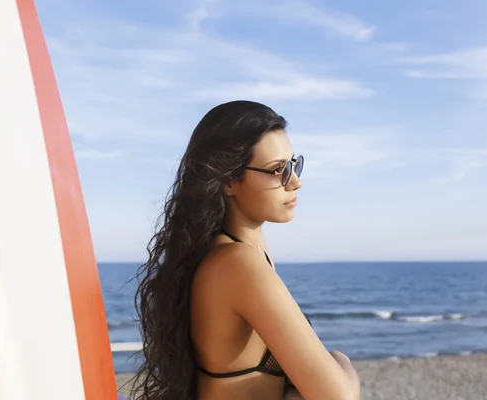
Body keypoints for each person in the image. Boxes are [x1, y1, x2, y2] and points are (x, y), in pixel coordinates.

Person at [131, 100, 360, 400]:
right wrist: (339, 359)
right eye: (277, 170)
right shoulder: (238, 263)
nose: (295, 182)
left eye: (294, 164)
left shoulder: (240, 247)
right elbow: (338, 397)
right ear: (228, 180)